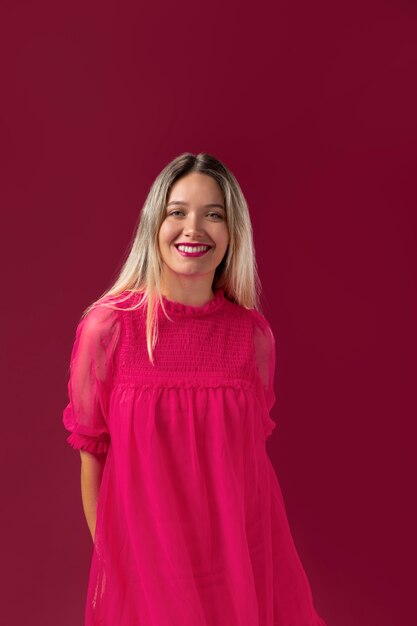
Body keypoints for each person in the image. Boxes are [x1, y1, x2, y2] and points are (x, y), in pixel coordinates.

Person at [62, 152, 327, 626]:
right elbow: (93, 457)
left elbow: (245, 474)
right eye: (178, 212)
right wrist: (121, 566)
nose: (194, 229)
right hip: (147, 575)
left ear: (232, 233)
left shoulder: (254, 338)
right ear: (154, 224)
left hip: (240, 571)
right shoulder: (109, 330)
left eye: (214, 215)